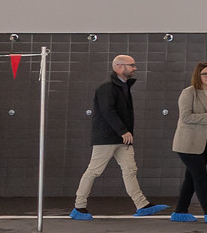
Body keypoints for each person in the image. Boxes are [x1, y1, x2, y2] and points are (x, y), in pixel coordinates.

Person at [71, 55, 168, 219]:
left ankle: (141, 204)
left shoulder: (123, 87)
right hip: (107, 138)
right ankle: (79, 207)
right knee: (94, 171)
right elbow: (107, 111)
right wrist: (123, 131)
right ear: (119, 66)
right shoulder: (106, 88)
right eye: (132, 65)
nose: (135, 68)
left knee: (130, 170)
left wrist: (124, 133)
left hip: (123, 139)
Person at [169, 62, 207, 223]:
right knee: (200, 175)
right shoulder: (188, 93)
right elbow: (185, 117)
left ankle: (180, 211)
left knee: (191, 177)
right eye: (205, 74)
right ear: (198, 75)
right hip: (188, 143)